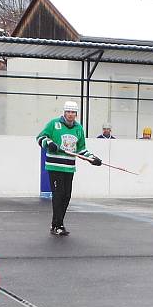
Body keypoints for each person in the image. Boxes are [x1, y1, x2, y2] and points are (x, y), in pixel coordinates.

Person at [36, 101, 103, 236]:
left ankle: (57, 223)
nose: (71, 115)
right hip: (55, 166)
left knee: (66, 195)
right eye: (68, 112)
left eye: (73, 112)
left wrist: (92, 159)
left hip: (69, 168)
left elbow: (81, 149)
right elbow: (40, 137)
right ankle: (57, 225)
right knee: (58, 194)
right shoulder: (54, 124)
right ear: (64, 112)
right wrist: (49, 144)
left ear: (76, 114)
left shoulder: (79, 128)